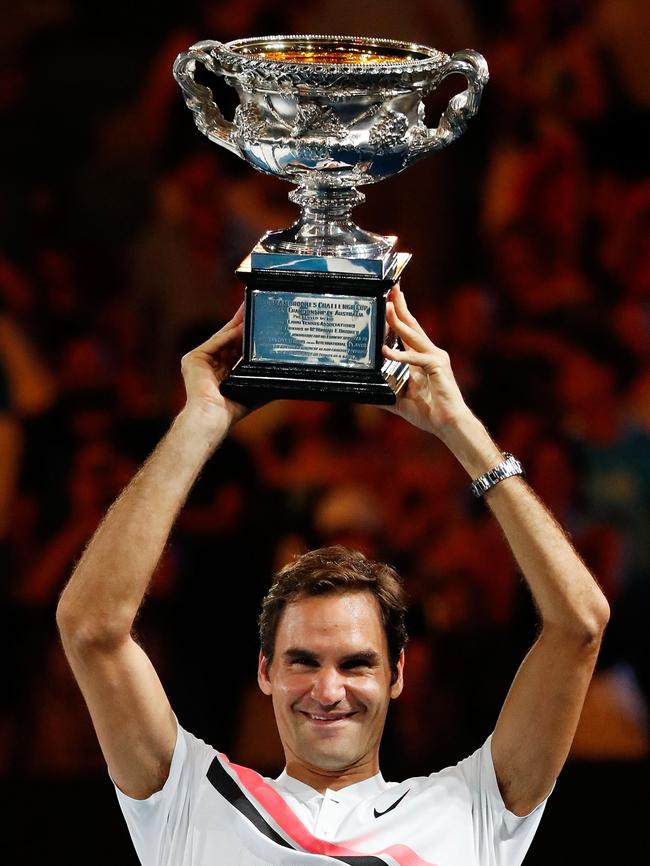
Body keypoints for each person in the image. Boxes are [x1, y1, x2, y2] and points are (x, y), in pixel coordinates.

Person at [56, 286, 610, 865]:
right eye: (303, 661)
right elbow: (91, 628)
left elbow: (580, 625)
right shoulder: (191, 800)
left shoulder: (473, 808)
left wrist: (459, 427)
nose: (327, 691)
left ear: (397, 673)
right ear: (265, 670)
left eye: (355, 663)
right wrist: (201, 423)